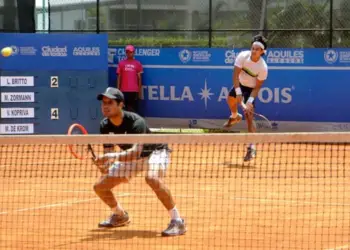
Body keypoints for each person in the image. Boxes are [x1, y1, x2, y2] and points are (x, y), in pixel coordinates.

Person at [93, 87, 187, 237]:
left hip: (154, 152)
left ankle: (177, 221)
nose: (105, 106)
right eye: (103, 103)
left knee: (152, 178)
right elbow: (108, 157)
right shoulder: (105, 125)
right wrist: (103, 165)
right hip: (130, 158)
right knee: (100, 187)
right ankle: (120, 215)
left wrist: (112, 157)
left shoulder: (137, 122)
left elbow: (135, 152)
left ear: (121, 104)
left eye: (110, 102)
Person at [223, 35, 269, 161]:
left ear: (262, 52)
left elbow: (257, 87)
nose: (253, 51)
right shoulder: (243, 56)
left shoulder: (263, 68)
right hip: (240, 84)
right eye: (253, 48)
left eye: (257, 49)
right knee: (230, 98)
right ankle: (235, 116)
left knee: (249, 117)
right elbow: (235, 76)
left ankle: (251, 146)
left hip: (251, 89)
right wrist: (238, 93)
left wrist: (249, 102)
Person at [117, 45, 143, 113]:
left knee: (134, 111)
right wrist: (118, 91)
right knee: (123, 111)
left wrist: (140, 92)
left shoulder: (138, 64)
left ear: (134, 52)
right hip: (123, 91)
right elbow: (119, 77)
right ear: (126, 53)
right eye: (127, 52)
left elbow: (140, 79)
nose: (129, 53)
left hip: (134, 91)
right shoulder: (121, 63)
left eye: (131, 52)